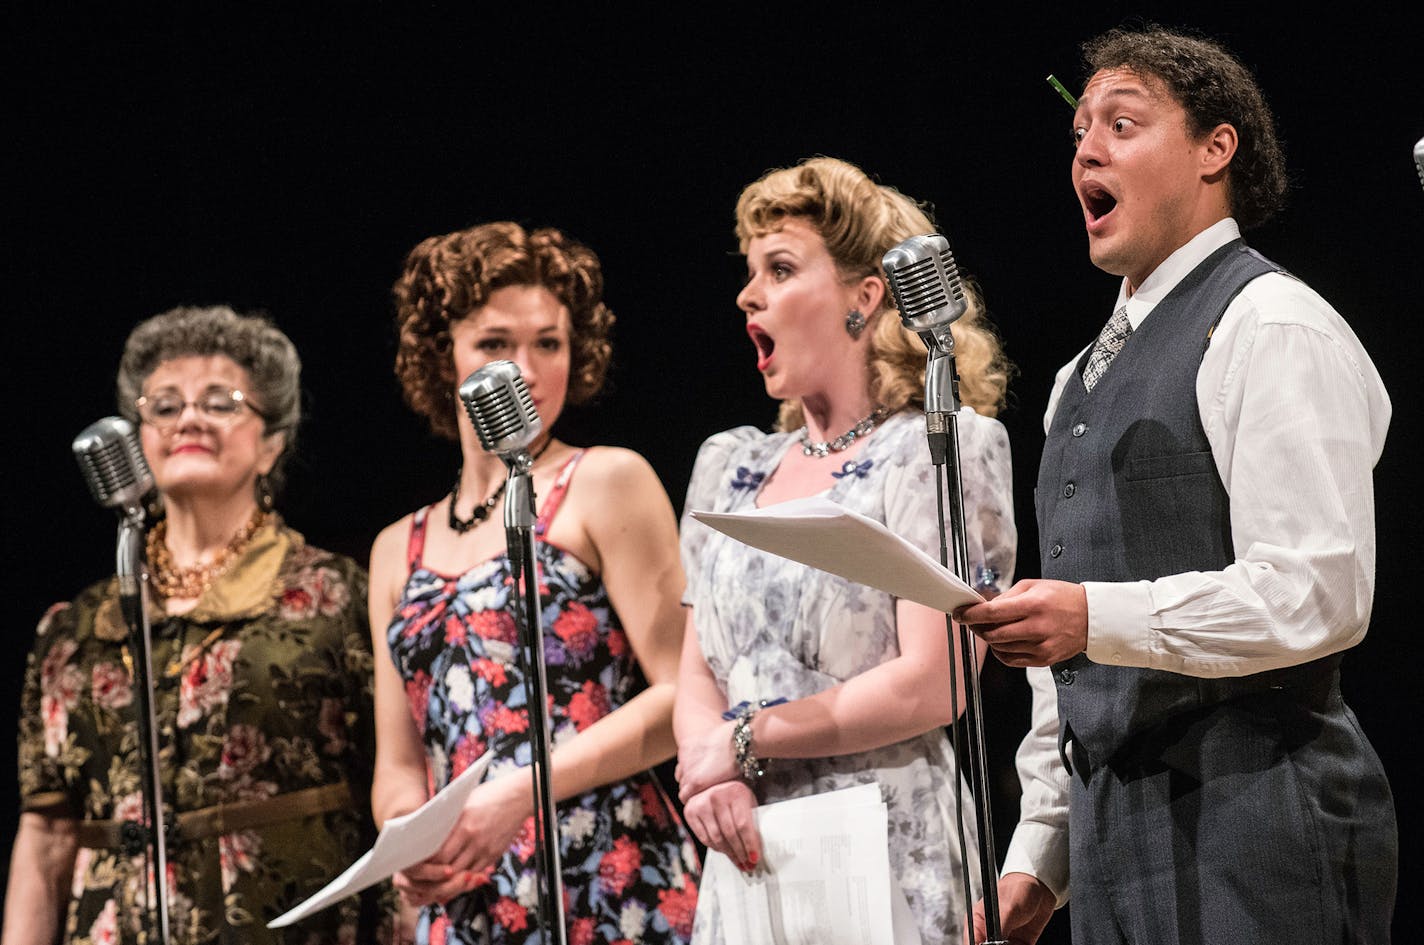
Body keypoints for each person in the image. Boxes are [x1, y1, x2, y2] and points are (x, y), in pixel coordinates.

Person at [956, 26, 1398, 945]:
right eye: (1079, 131)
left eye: (1122, 122)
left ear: (1214, 148)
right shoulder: (1076, 381)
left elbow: (1319, 590)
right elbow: (1063, 657)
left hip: (1264, 827)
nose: (1087, 148)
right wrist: (1042, 851)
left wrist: (1096, 617)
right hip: (1117, 846)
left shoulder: (1270, 322)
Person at [673, 156, 1017, 945]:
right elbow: (693, 667)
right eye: (750, 270)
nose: (749, 293)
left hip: (887, 848)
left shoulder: (937, 448)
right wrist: (704, 779)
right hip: (747, 852)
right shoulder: (730, 465)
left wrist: (743, 740)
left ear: (865, 299)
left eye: (781, 268)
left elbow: (938, 682)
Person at [5, 305, 381, 944]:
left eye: (221, 402)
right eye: (165, 405)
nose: (190, 420)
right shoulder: (74, 629)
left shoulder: (338, 598)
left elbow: (395, 790)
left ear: (271, 444)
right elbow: (47, 832)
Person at [369, 221, 701, 945]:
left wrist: (522, 792)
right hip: (469, 897)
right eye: (493, 344)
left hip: (610, 870)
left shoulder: (606, 480)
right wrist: (407, 839)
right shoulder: (398, 546)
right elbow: (399, 762)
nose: (522, 368)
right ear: (441, 355)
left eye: (547, 343)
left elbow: (684, 694)